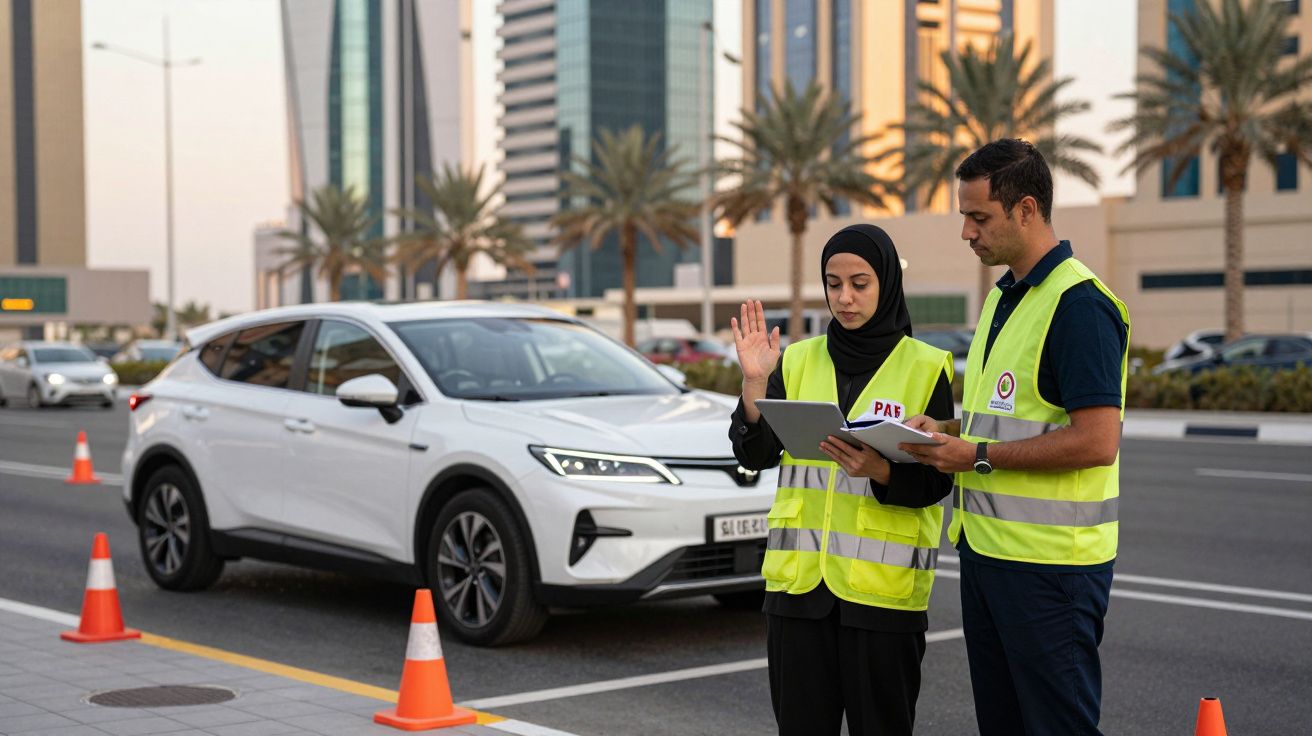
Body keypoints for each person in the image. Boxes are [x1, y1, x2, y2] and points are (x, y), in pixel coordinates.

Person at [899, 139, 1130, 736]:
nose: (967, 232)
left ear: (1026, 210)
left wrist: (971, 455)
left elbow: (1097, 442)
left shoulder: (1079, 305)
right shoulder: (1007, 297)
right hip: (989, 557)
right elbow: (1005, 416)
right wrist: (943, 432)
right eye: (964, 217)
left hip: (1052, 573)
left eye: (979, 217)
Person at [729, 224, 956, 736]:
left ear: (887, 285)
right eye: (834, 284)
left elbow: (940, 479)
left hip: (883, 600)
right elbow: (755, 452)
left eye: (860, 283)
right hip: (798, 593)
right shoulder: (798, 358)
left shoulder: (925, 367)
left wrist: (881, 472)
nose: (845, 297)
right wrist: (754, 383)